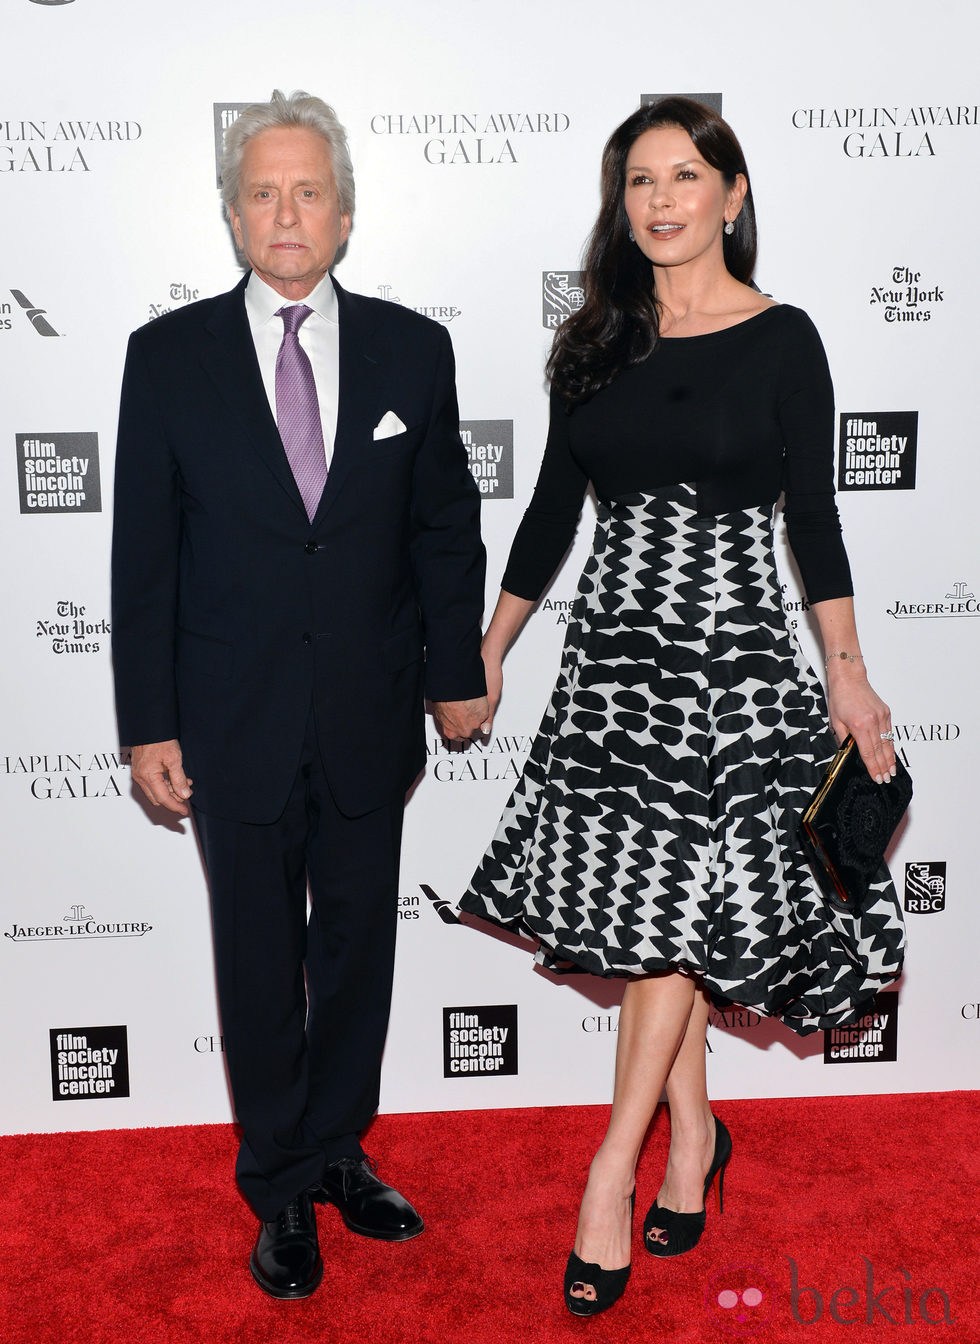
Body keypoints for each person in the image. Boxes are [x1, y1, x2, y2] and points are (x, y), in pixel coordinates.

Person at [460, 97, 905, 1317]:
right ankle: (696, 1137)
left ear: (731, 194)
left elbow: (809, 515)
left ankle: (614, 1171)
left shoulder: (783, 339)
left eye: (682, 176)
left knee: (673, 910)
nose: (658, 202)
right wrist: (492, 649)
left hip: (734, 661)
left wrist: (846, 668)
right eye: (637, 182)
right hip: (614, 659)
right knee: (670, 909)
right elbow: (552, 512)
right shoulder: (594, 341)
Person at [111, 90, 489, 1300]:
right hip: (230, 718)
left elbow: (444, 528)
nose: (287, 212)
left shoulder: (410, 349)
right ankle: (278, 1183)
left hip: (373, 712)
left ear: (342, 215)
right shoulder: (164, 359)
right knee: (260, 962)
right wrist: (148, 720)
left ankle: (338, 1151)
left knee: (361, 954)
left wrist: (454, 675)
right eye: (263, 192)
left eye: (308, 190)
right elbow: (144, 555)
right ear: (232, 216)